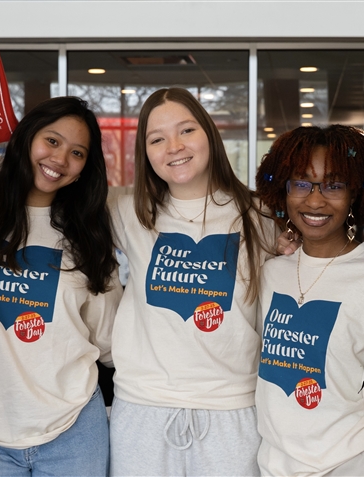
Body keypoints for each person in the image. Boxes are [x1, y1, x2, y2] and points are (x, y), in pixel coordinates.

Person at [108, 87, 274, 476]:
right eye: (157, 138)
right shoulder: (127, 209)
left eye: (186, 130)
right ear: (145, 152)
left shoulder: (260, 215)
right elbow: (35, 192)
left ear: (209, 136)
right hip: (143, 410)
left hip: (232, 412)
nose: (174, 146)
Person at [252, 125, 364, 475]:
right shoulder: (272, 273)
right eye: (301, 183)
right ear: (283, 190)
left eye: (334, 185)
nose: (315, 200)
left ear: (355, 194)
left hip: (351, 463)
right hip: (275, 463)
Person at [0, 97, 122, 476]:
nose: (60, 159)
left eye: (77, 152)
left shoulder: (89, 237)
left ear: (84, 169)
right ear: (28, 138)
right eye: (51, 141)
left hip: (74, 428)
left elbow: (109, 337)